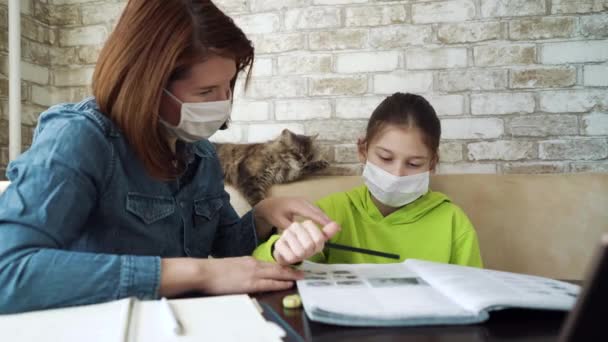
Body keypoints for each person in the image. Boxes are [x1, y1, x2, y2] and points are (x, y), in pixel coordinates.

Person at [0, 0, 339, 314]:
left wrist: (263, 215)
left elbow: (226, 249)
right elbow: (8, 272)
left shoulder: (201, 154)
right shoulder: (78, 139)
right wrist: (197, 273)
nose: (223, 105)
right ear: (146, 86)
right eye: (206, 92)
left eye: (229, 85)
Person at [254, 93, 483, 267]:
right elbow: (262, 265)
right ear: (362, 151)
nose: (397, 174)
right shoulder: (331, 211)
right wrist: (280, 251)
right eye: (385, 158)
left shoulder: (453, 222)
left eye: (414, 164)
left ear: (432, 163)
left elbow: (475, 295)